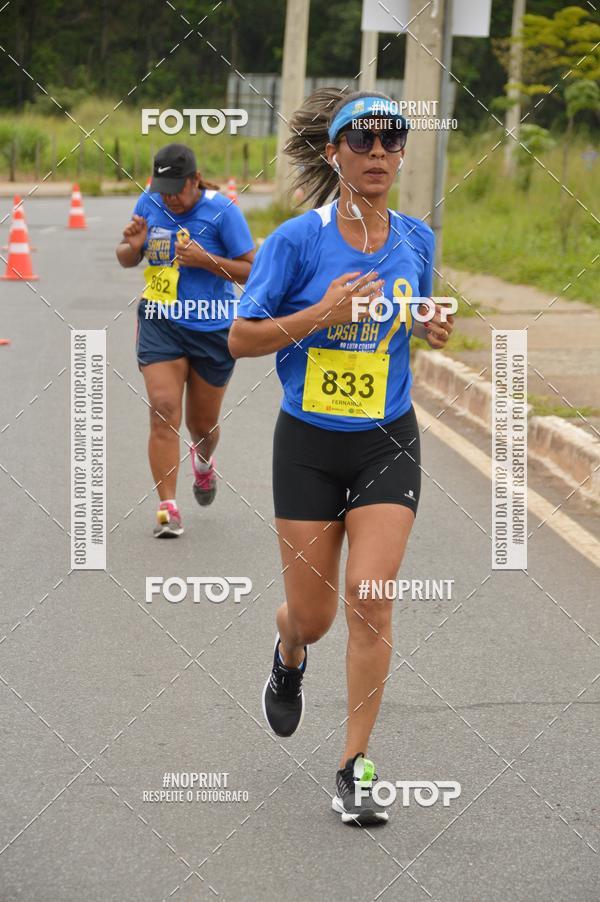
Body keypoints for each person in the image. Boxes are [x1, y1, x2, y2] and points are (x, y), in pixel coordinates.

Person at [228, 89, 454, 824]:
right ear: (335, 154)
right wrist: (320, 315)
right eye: (365, 142)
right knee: (316, 615)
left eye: (393, 141)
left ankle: (354, 765)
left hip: (387, 436)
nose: (381, 153)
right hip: (309, 444)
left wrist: (430, 324)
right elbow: (242, 338)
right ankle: (289, 652)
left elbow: (411, 312)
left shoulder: (416, 237)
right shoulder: (296, 241)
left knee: (372, 598)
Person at [116, 143, 255, 537]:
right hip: (161, 321)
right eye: (164, 189)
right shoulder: (150, 202)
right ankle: (167, 508)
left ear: (196, 179)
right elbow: (125, 256)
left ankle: (205, 463)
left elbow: (251, 270)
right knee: (162, 408)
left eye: (178, 188)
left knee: (202, 425)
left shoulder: (223, 212)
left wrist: (205, 260)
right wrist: (135, 245)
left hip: (213, 329)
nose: (170, 197)